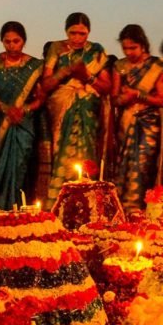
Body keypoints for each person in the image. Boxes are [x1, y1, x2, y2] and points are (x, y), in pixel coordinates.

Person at [41, 12, 110, 206]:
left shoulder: (96, 51)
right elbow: (46, 84)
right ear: (66, 31)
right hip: (62, 109)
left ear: (89, 32)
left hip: (88, 111)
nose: (78, 38)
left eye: (82, 33)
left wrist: (87, 76)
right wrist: (65, 72)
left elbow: (107, 87)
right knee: (61, 156)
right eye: (73, 33)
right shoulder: (56, 48)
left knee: (88, 159)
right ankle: (59, 204)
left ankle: (90, 205)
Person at [0, 21, 44, 210]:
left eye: (16, 41)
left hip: (24, 122)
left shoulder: (35, 66)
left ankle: (20, 208)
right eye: (7, 41)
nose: (11, 46)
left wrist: (22, 110)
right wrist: (6, 109)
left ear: (23, 41)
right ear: (2, 41)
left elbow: (41, 98)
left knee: (22, 164)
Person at [112, 24, 163, 211]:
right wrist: (123, 98)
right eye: (125, 48)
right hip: (126, 122)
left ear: (143, 45)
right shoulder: (120, 66)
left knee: (142, 167)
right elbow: (115, 98)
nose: (129, 52)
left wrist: (137, 95)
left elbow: (162, 99)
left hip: (148, 123)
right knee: (125, 168)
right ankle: (123, 212)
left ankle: (140, 211)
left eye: (133, 48)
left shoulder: (157, 67)